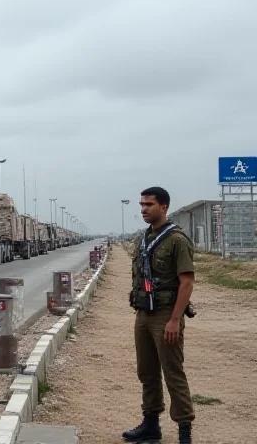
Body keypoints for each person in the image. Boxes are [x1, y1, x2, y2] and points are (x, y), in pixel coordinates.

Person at [123, 187, 195, 443]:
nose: (144, 209)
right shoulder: (143, 238)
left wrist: (175, 319)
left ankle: (184, 431)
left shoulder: (176, 240)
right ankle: (151, 423)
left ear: (163, 207)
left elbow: (186, 282)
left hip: (166, 314)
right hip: (143, 313)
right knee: (147, 372)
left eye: (149, 204)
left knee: (173, 372)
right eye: (141, 204)